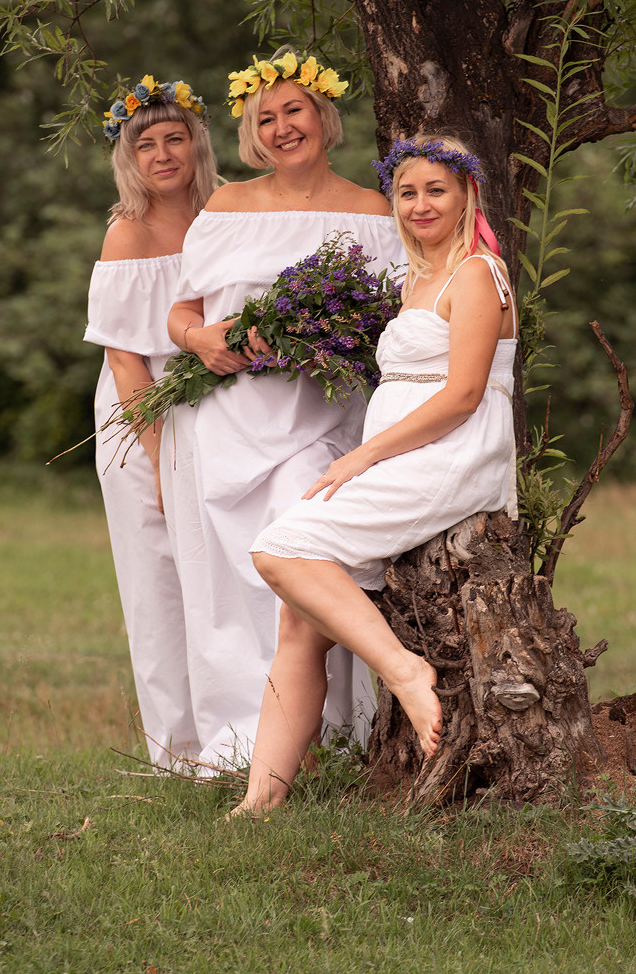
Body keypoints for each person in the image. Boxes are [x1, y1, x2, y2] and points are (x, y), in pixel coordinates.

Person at [232, 133, 518, 814]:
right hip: (404, 454)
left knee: (279, 549)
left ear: (466, 194)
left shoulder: (477, 273)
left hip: (451, 455)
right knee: (298, 623)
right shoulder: (417, 277)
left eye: (436, 190)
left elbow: (463, 395)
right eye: (407, 192)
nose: (420, 205)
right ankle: (259, 801)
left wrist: (363, 456)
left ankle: (405, 672)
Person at [161, 49, 405, 771]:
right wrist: (202, 339)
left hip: (321, 422)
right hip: (225, 418)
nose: (280, 127)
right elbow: (181, 312)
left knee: (306, 564)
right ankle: (240, 745)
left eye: (293, 110)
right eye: (264, 118)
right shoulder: (225, 207)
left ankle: (326, 738)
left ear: (323, 117)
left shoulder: (372, 212)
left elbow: (392, 318)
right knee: (227, 585)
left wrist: (325, 335)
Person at [84, 75, 218, 767]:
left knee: (219, 569)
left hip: (216, 404)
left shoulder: (225, 214)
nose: (163, 155)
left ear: (197, 144)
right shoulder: (127, 233)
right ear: (128, 157)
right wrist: (160, 459)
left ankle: (243, 730)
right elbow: (125, 357)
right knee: (159, 577)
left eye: (175, 139)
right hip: (144, 411)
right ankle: (181, 751)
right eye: (147, 144)